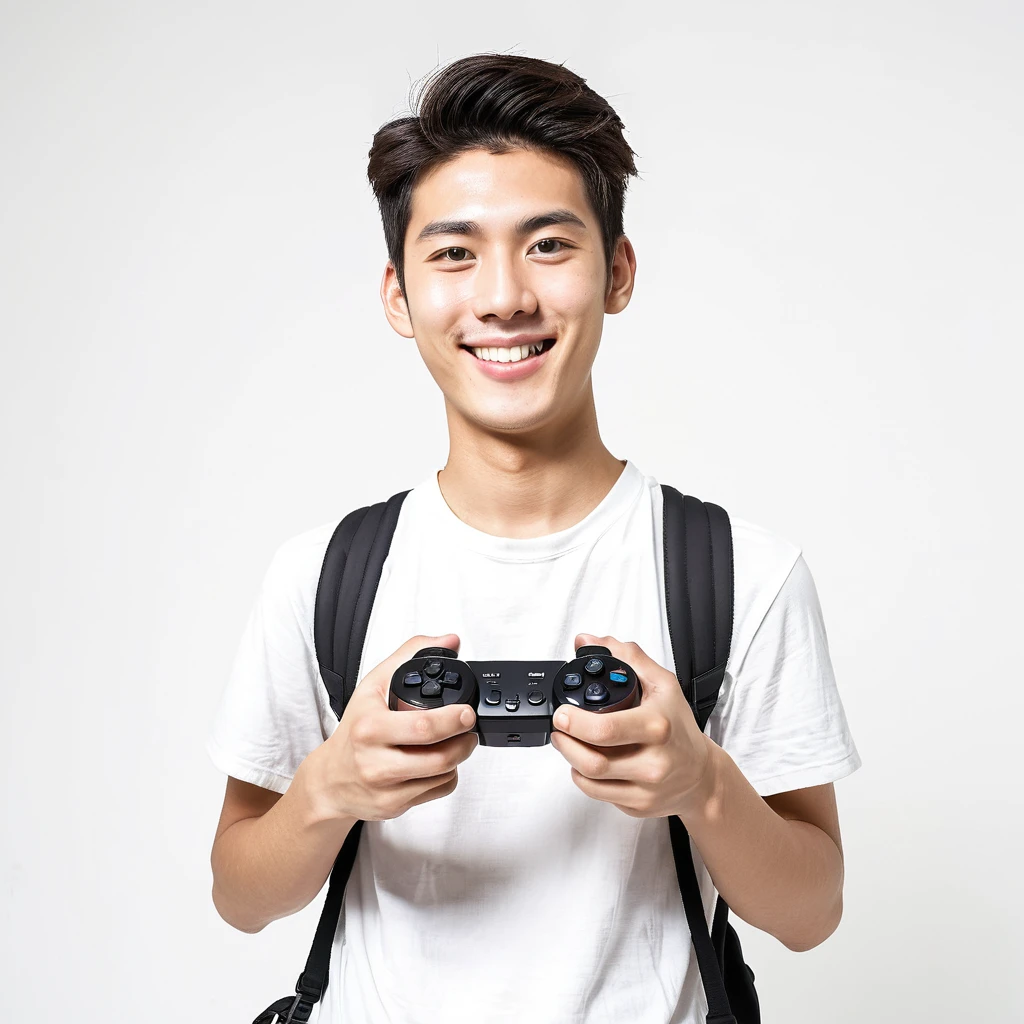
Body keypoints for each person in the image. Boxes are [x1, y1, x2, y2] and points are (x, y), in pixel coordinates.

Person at [206, 52, 862, 1023]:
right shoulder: (323, 577)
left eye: (549, 244)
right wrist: (328, 787)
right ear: (398, 295)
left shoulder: (738, 575)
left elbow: (811, 911)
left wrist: (699, 781)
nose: (504, 296)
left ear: (618, 271)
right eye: (454, 252)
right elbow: (240, 892)